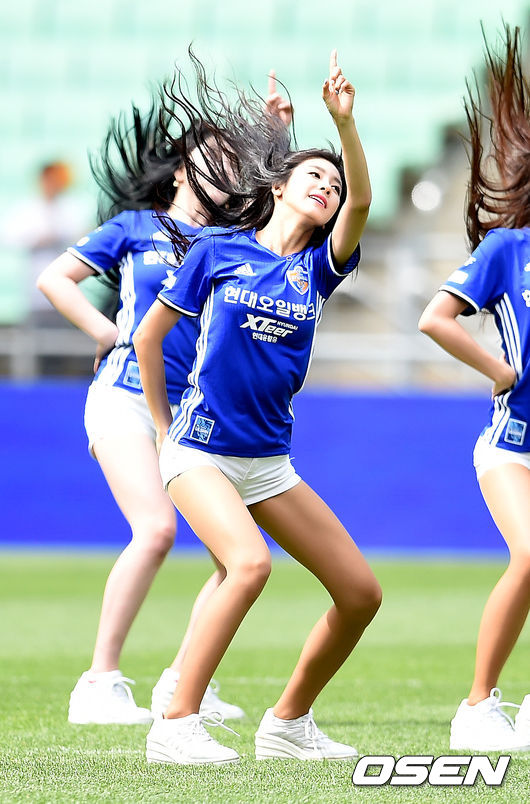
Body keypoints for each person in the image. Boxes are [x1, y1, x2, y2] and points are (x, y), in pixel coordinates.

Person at [134, 49, 380, 766]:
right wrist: (163, 431)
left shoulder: (317, 269)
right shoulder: (218, 251)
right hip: (200, 451)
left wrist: (343, 126)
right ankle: (174, 724)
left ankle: (288, 723)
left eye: (333, 184)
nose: (328, 188)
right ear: (278, 187)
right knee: (247, 565)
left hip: (268, 463)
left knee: (360, 594)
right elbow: (148, 338)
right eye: (314, 177)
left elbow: (362, 204)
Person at [36, 70, 292, 725]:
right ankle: (99, 683)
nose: (224, 167)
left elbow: (292, 207)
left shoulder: (232, 242)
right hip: (125, 398)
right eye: (211, 157)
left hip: (190, 417)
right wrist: (105, 331)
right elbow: (55, 278)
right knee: (154, 530)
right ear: (180, 172)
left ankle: (183, 682)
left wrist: (277, 134)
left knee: (233, 556)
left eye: (233, 161)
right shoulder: (134, 227)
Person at [419, 24, 530, 752]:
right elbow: (436, 318)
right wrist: (498, 370)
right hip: (513, 446)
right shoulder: (508, 248)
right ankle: (478, 706)